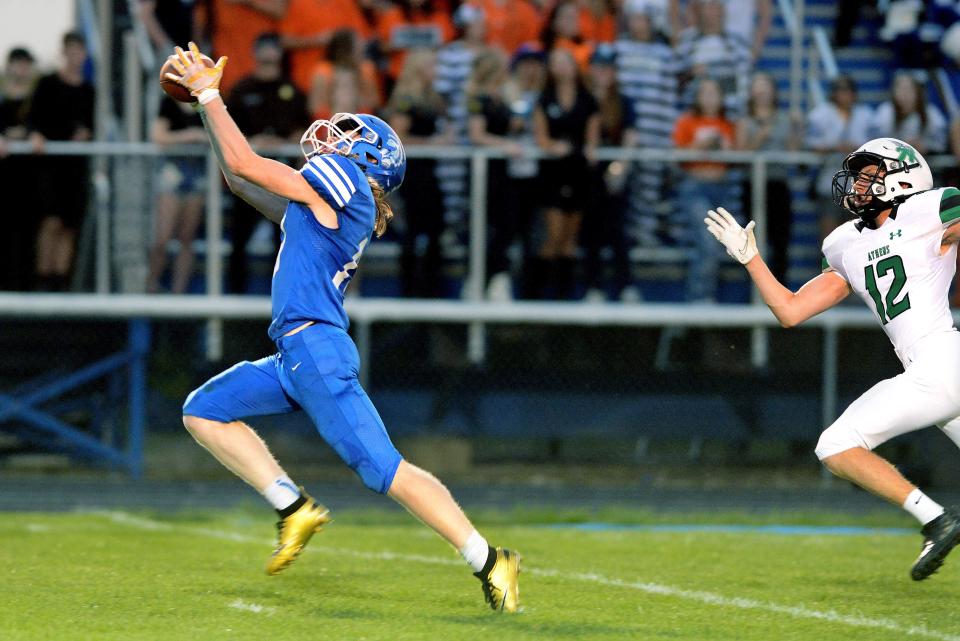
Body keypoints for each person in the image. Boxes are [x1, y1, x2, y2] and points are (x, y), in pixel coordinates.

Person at [165, 42, 520, 611]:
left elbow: (245, 164)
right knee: (203, 410)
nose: (332, 136)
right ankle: (292, 506)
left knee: (386, 471)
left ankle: (489, 559)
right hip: (297, 353)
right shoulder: (324, 201)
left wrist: (208, 94)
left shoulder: (345, 183)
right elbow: (239, 181)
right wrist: (205, 108)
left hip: (315, 348)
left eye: (348, 135)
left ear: (369, 158)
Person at [705, 137, 960, 582]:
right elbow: (790, 310)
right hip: (939, 371)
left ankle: (936, 519)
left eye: (869, 175)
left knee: (836, 444)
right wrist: (751, 259)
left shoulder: (931, 209)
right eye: (859, 175)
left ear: (902, 179)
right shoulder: (845, 243)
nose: (858, 185)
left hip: (938, 363)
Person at [225, 32, 309, 294]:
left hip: (283, 173)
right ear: (254, 51)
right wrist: (255, 142)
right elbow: (228, 131)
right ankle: (235, 296)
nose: (270, 53)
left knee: (283, 238)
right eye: (265, 48)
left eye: (274, 47)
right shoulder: (241, 90)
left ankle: (280, 297)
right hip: (251, 174)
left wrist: (287, 143)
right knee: (239, 236)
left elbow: (303, 130)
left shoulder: (292, 90)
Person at [531, 46, 600, 299]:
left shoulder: (587, 99)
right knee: (553, 234)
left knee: (570, 238)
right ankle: (536, 293)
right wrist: (554, 146)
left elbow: (592, 139)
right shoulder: (545, 99)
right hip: (553, 172)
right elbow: (541, 138)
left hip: (578, 171)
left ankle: (564, 294)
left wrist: (589, 151)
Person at [28, 31, 95, 292]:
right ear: (64, 52)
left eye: (79, 51)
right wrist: (36, 135)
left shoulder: (89, 91)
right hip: (49, 164)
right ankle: (43, 276)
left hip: (75, 167)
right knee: (51, 221)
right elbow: (34, 119)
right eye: (71, 50)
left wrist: (86, 134)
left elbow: (91, 125)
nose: (75, 56)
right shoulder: (47, 84)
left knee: (68, 225)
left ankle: (60, 281)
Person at [387, 48, 451, 298]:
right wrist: (433, 143)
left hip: (429, 171)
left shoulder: (432, 99)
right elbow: (397, 138)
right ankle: (410, 289)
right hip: (412, 174)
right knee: (414, 229)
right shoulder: (406, 99)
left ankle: (431, 287)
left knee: (435, 227)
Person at [672, 76, 735, 303]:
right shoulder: (687, 122)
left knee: (714, 245)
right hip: (695, 189)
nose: (709, 97)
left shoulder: (727, 124)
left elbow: (734, 157)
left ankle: (703, 296)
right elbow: (677, 155)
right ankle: (700, 297)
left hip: (721, 190)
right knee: (707, 243)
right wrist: (703, 145)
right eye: (705, 92)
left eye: (714, 92)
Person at [736, 71, 800, 285]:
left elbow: (794, 155)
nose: (762, 91)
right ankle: (754, 291)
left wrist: (797, 129)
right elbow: (739, 156)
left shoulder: (784, 119)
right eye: (758, 85)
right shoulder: (745, 121)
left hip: (778, 184)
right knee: (752, 244)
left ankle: (781, 292)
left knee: (780, 240)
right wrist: (759, 137)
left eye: (766, 85)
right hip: (752, 185)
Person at [146, 96, 207, 294]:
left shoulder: (207, 100)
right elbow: (158, 136)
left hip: (197, 173)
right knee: (162, 237)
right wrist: (189, 136)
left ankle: (178, 291)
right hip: (172, 172)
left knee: (187, 237)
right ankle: (151, 286)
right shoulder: (168, 102)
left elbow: (218, 135)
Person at [806, 75, 873, 241]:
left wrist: (855, 148)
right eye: (840, 90)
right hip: (830, 180)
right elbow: (811, 144)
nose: (844, 95)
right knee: (830, 235)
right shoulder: (821, 114)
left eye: (848, 90)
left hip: (860, 183)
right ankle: (829, 266)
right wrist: (834, 147)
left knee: (857, 234)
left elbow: (876, 144)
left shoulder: (865, 115)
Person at [0, 47, 39, 291]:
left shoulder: (37, 97)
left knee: (27, 227)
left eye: (26, 64)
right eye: (18, 63)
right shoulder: (2, 97)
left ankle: (25, 284)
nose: (22, 68)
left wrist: (37, 135)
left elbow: (45, 125)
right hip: (4, 173)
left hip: (29, 174)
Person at [869, 71, 947, 156]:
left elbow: (941, 144)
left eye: (909, 90)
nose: (905, 94)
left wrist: (926, 146)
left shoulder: (931, 114)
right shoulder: (885, 112)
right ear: (894, 92)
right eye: (901, 89)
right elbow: (875, 144)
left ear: (918, 92)